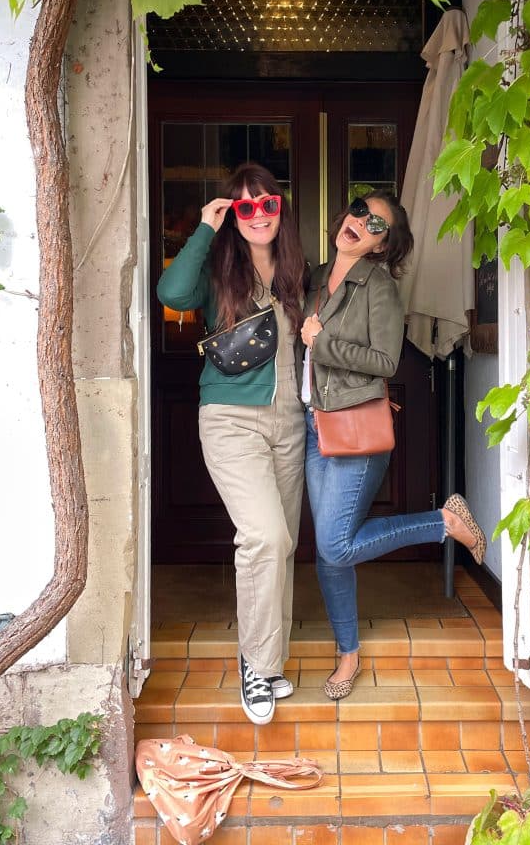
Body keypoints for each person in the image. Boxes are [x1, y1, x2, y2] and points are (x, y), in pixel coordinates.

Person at [301, 193, 487, 700]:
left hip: (354, 428)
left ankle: (442, 522)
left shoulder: (378, 286)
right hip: (313, 426)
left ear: (383, 246)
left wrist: (322, 343)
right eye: (359, 209)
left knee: (335, 544)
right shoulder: (315, 278)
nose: (361, 221)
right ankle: (348, 652)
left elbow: (385, 360)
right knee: (327, 552)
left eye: (376, 224)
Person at [157, 163, 307, 725]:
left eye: (267, 204)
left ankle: (270, 661)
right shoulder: (218, 265)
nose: (258, 215)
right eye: (245, 207)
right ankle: (255, 665)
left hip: (289, 421)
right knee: (263, 536)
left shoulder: (296, 270)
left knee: (283, 542)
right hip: (231, 419)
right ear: (233, 215)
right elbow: (170, 292)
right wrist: (204, 228)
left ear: (280, 209)